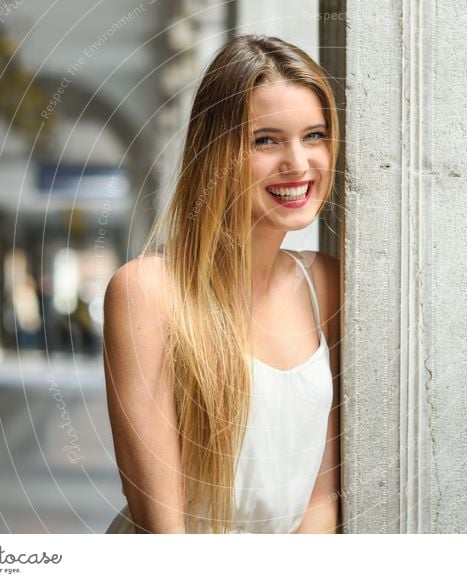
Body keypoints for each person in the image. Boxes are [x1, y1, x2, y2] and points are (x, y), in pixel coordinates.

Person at [102, 35, 342, 534]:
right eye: (266, 140)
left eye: (314, 135)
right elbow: (160, 524)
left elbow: (322, 499)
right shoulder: (147, 292)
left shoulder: (326, 283)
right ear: (217, 153)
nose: (298, 163)